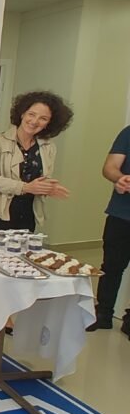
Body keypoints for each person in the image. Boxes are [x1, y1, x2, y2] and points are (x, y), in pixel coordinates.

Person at [0, 90, 73, 232]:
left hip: (28, 212)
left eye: (43, 118)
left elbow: (43, 178)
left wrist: (48, 188)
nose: (35, 121)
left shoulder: (48, 147)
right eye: (31, 114)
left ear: (49, 123)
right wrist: (25, 187)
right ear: (22, 114)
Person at [87, 124, 130, 338]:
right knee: (112, 266)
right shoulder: (128, 133)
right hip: (121, 214)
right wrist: (119, 178)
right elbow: (110, 167)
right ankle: (103, 313)